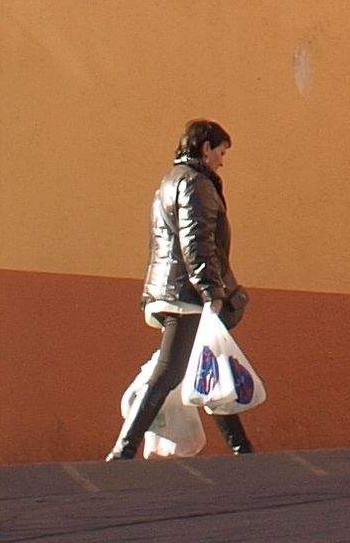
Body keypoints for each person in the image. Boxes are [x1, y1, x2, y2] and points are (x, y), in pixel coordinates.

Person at [106, 116, 255, 460]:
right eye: (220, 151)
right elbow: (196, 241)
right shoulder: (196, 184)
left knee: (208, 368)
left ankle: (242, 449)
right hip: (186, 295)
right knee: (172, 371)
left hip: (173, 290)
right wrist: (211, 293)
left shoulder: (170, 181)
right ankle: (123, 449)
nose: (222, 160)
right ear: (205, 149)